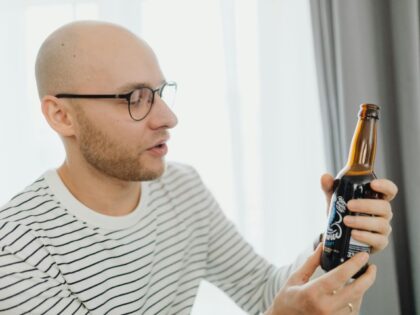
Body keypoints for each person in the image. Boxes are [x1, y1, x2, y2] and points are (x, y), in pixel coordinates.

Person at [0, 21, 397, 315]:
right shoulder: (17, 254)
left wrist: (338, 236)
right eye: (135, 98)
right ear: (61, 116)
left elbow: (263, 292)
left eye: (159, 92)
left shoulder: (181, 187)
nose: (168, 117)